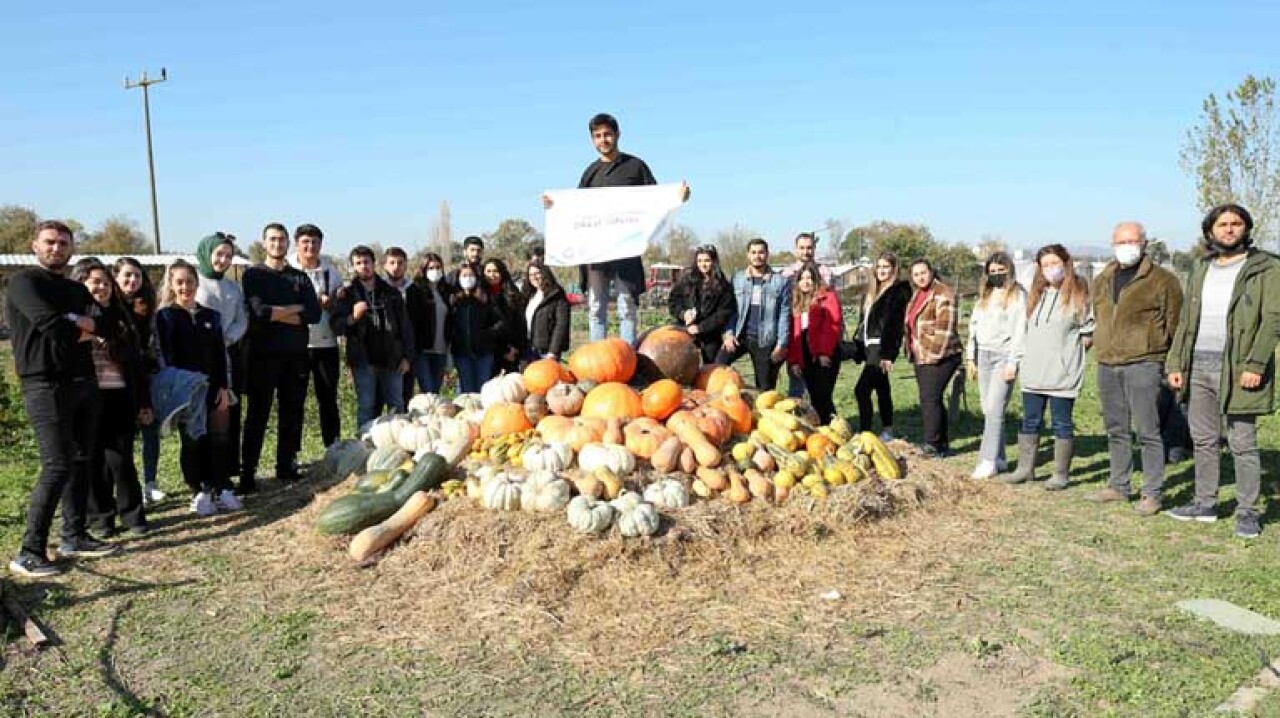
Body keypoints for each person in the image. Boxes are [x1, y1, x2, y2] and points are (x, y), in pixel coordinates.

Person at [7, 220, 119, 576]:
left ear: (72, 248)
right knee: (56, 465)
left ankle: (75, 535)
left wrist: (76, 322)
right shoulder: (24, 283)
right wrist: (79, 325)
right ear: (35, 245)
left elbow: (107, 325)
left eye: (63, 243)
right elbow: (50, 327)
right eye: (50, 242)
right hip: (46, 384)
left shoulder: (76, 289)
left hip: (85, 381)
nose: (57, 248)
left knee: (83, 458)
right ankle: (29, 550)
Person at [1165, 204, 1279, 539]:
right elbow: (1187, 320)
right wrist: (1176, 362)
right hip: (1199, 363)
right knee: (1203, 439)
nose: (1229, 230)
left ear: (1246, 228)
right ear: (1210, 231)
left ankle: (1248, 511)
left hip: (1239, 367)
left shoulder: (1266, 267)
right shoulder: (1202, 267)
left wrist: (1256, 364)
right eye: (1222, 224)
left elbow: (1273, 319)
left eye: (1236, 224)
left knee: (1242, 441)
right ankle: (1205, 503)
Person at [544, 112, 690, 345]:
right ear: (592, 140)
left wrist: (678, 197)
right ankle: (598, 357)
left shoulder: (636, 167)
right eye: (598, 136)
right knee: (595, 308)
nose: (603, 140)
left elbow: (656, 198)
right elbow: (575, 211)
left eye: (607, 135)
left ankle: (628, 358)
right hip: (596, 254)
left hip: (626, 251)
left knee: (627, 306)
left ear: (617, 135)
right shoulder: (589, 173)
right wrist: (555, 206)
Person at [1089, 222, 1183, 513]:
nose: (1126, 246)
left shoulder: (1162, 280)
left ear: (1143, 243)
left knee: (1148, 430)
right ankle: (1119, 485)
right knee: (1116, 427)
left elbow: (1176, 324)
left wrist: (1170, 363)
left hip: (1143, 362)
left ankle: (1152, 492)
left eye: (1131, 241)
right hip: (1108, 362)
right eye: (1120, 241)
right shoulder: (1103, 278)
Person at [72, 258, 152, 536]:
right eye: (95, 282)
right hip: (87, 396)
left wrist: (144, 401)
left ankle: (133, 516)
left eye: (106, 283)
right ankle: (101, 519)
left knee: (121, 459)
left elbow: (136, 364)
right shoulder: (74, 315)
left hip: (119, 395)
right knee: (93, 460)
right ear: (81, 283)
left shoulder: (120, 317)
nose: (102, 287)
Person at [1004, 245, 1094, 489]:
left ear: (1066, 264)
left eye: (1055, 263)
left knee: (1061, 423)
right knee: (1029, 421)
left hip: (1062, 375)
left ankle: (1060, 473)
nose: (1051, 269)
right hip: (1034, 371)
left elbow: (1087, 334)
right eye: (1045, 265)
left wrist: (1066, 357)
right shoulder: (1035, 296)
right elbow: (1024, 332)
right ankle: (1025, 468)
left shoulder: (1078, 296)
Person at [155, 261, 241, 516]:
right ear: (171, 285)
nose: (185, 287)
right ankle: (198, 490)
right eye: (179, 282)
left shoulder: (211, 317)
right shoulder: (166, 316)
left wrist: (223, 387)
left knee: (220, 438)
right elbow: (166, 356)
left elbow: (219, 354)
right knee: (193, 440)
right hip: (186, 390)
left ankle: (222, 486)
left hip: (214, 386)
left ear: (196, 283)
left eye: (189, 281)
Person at [241, 222, 321, 490]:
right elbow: (258, 313)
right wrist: (294, 309)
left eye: (282, 240)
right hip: (263, 357)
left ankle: (285, 467)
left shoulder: (299, 278)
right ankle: (248, 473)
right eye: (272, 239)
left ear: (288, 244)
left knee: (292, 413)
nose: (277, 244)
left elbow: (314, 314)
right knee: (257, 415)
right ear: (264, 243)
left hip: (296, 357)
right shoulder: (253, 275)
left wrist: (278, 313)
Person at [330, 246, 414, 428]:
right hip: (363, 359)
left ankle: (398, 447)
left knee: (396, 404)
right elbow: (337, 326)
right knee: (366, 406)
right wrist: (353, 317)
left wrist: (407, 357)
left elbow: (405, 327)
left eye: (366, 262)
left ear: (374, 264)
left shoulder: (391, 293)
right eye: (358, 263)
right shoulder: (348, 294)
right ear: (353, 267)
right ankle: (365, 447)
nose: (363, 266)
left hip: (392, 358)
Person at [965, 252, 1027, 479]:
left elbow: (1021, 330)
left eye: (1001, 271)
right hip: (984, 355)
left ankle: (987, 460)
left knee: (994, 408)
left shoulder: (1017, 296)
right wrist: (971, 357)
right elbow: (974, 325)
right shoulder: (985, 295)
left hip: (1004, 355)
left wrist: (1014, 362)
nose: (997, 275)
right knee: (987, 409)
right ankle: (1000, 457)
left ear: (1009, 271)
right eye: (992, 271)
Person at [194, 233, 249, 487]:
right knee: (199, 417)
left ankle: (223, 473)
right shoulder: (193, 282)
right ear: (206, 253)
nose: (223, 260)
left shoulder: (232, 288)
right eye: (219, 254)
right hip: (197, 358)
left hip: (226, 355)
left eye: (228, 255)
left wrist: (228, 337)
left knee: (224, 415)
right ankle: (201, 476)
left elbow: (242, 318)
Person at [114, 257, 165, 504]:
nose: (132, 280)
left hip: (144, 377)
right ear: (116, 277)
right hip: (116, 380)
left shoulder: (146, 308)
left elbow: (151, 346)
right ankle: (123, 489)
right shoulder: (108, 307)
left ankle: (150, 482)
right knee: (121, 440)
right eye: (127, 275)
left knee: (150, 430)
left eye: (137, 276)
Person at [290, 223, 344, 448]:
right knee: (294, 401)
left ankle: (333, 447)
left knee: (328, 399)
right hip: (296, 345)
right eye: (305, 242)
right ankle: (291, 453)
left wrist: (333, 302)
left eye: (315, 242)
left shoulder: (331, 272)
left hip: (326, 343)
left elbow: (340, 308)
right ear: (297, 244)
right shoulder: (288, 269)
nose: (310, 246)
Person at [904, 259, 963, 458]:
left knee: (929, 399)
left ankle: (932, 443)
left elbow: (944, 330)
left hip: (941, 355)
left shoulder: (943, 294)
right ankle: (942, 444)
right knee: (932, 398)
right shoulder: (918, 295)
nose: (920, 277)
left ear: (931, 272)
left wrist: (933, 357)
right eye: (916, 274)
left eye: (923, 272)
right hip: (921, 354)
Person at [718, 238, 791, 390]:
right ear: (748, 255)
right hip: (740, 336)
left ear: (767, 254)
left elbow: (784, 315)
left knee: (765, 387)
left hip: (764, 339)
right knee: (716, 367)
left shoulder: (780, 282)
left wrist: (781, 343)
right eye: (754, 252)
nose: (757, 256)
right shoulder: (737, 279)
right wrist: (728, 334)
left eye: (761, 252)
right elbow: (731, 309)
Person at [853, 252, 912, 441]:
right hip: (869, 345)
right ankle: (887, 428)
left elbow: (895, 325)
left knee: (862, 389)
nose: (882, 271)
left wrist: (888, 354)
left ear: (894, 269)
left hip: (881, 346)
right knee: (881, 387)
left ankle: (865, 431)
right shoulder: (872, 292)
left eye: (886, 267)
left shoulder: (898, 291)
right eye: (879, 267)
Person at [786, 262, 843, 423]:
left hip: (824, 352)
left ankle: (834, 427)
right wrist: (794, 361)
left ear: (816, 279)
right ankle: (823, 429)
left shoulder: (827, 297)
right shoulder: (796, 303)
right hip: (804, 353)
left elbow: (832, 326)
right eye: (802, 278)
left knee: (823, 395)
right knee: (814, 395)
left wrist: (824, 352)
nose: (806, 282)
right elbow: (794, 336)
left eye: (810, 278)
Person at [668, 245, 737, 364]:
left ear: (714, 262)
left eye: (707, 261)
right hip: (684, 330)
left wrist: (700, 328)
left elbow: (723, 314)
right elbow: (673, 301)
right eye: (699, 261)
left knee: (709, 370)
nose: (703, 264)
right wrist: (683, 314)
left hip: (709, 335)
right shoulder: (687, 280)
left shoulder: (723, 286)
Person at [449, 264, 503, 393]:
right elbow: (448, 324)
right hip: (461, 353)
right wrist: (453, 338)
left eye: (471, 275)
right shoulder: (454, 300)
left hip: (483, 353)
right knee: (466, 392)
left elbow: (500, 321)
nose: (468, 278)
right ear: (458, 278)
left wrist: (488, 335)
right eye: (464, 275)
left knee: (483, 390)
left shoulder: (484, 298)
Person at [405, 253, 451, 394]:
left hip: (441, 349)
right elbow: (411, 320)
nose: (435, 270)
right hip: (423, 350)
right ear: (424, 269)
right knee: (428, 392)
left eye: (438, 267)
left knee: (435, 392)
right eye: (431, 267)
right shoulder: (415, 290)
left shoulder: (446, 291)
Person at [483, 258, 527, 376]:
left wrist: (515, 348)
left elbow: (520, 323)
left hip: (513, 350)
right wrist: (503, 350)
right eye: (489, 271)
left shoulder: (512, 293)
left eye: (496, 271)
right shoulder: (481, 296)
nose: (492, 275)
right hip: (491, 351)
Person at [523, 263, 571, 360]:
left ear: (545, 273)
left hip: (547, 352)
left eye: (537, 273)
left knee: (547, 375)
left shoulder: (556, 294)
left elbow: (561, 325)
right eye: (531, 275)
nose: (534, 277)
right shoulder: (529, 295)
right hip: (529, 348)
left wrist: (553, 351)